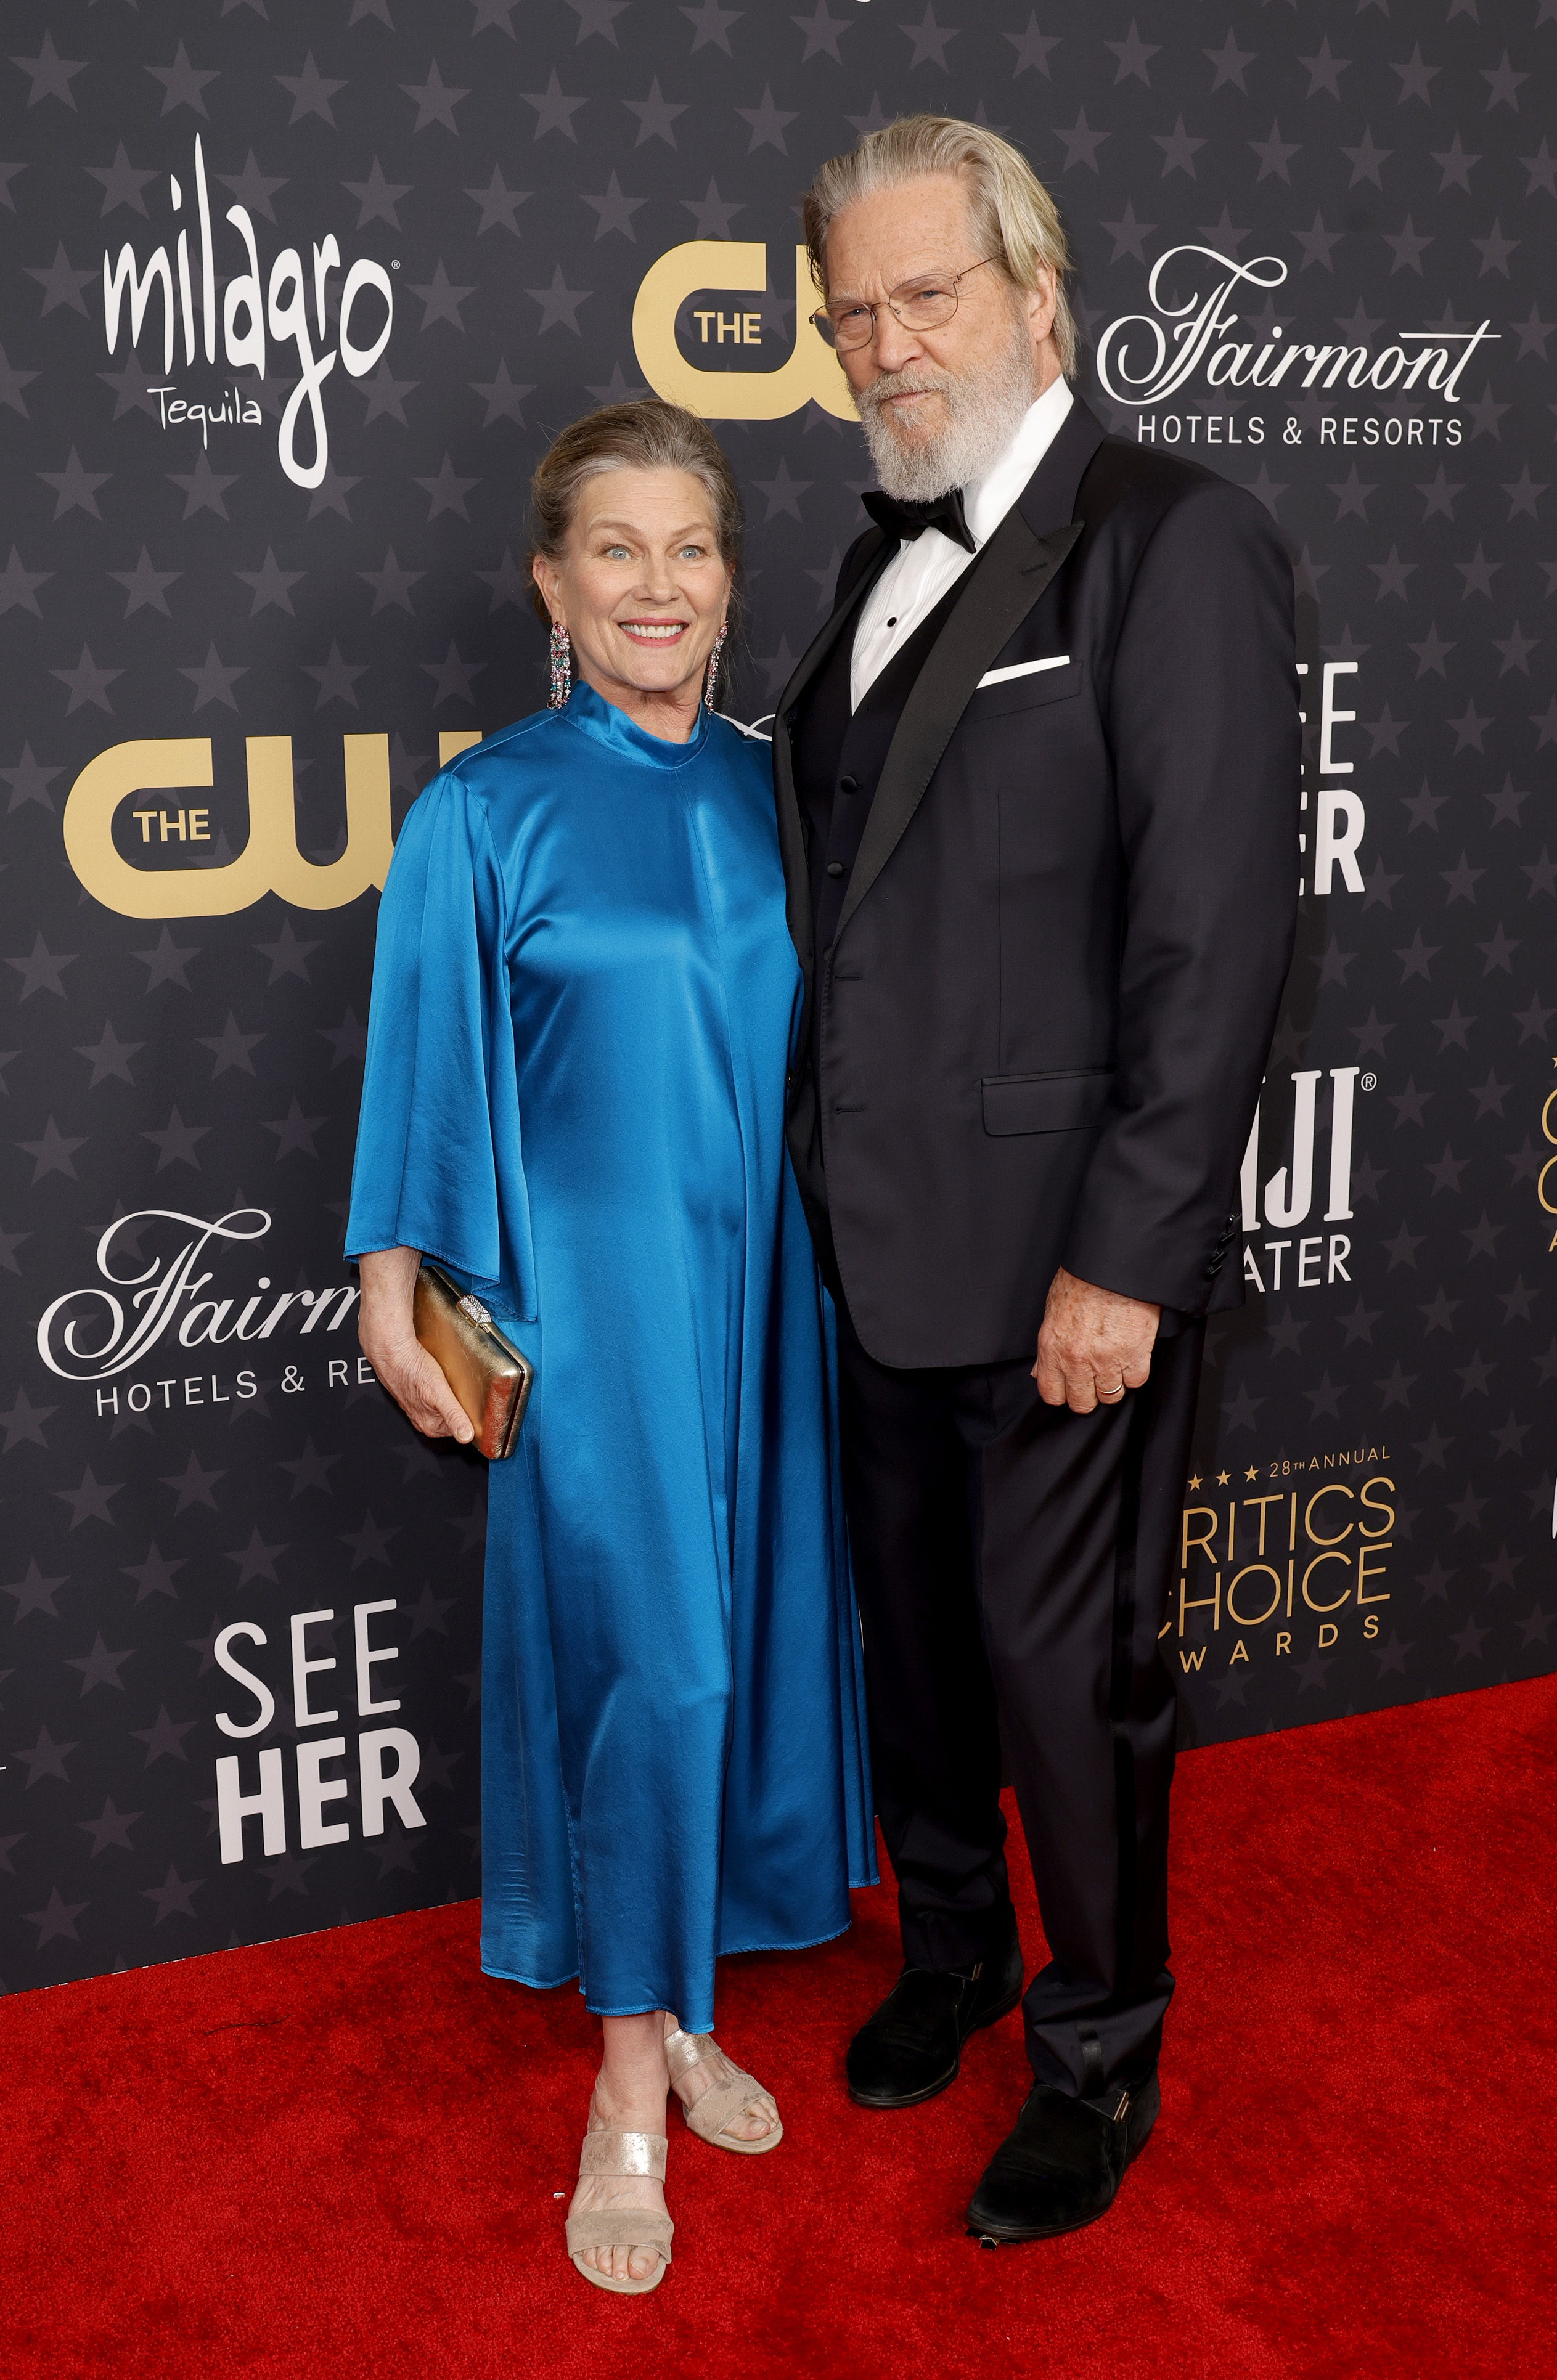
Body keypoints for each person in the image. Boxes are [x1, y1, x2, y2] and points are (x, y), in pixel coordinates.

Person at [775, 116, 1299, 2243]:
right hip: (876, 1237)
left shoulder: (1167, 534)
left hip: (1070, 1258)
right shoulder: (868, 546)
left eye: (929, 296)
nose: (890, 345)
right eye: (852, 314)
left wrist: (1131, 1253)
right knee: (919, 1640)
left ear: (1039, 295)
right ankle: (961, 1952)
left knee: (1069, 1670)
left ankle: (1097, 2049)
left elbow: (1221, 934)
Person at [346, 399, 874, 2296]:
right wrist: (390, 1279)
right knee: (650, 1659)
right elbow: (421, 1067)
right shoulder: (485, 808)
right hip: (602, 1304)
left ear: (732, 584)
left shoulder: (766, 785)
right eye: (618, 552)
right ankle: (627, 2086)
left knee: (742, 1648)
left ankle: (690, 1987)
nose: (660, 586)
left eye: (694, 550)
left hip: (778, 1305)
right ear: (551, 585)